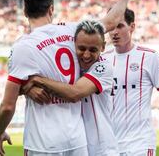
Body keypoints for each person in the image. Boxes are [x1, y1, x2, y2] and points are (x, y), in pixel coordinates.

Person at [0, 0, 132, 156]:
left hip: (41, 143)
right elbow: (111, 21)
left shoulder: (22, 47)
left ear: (25, 12)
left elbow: (7, 105)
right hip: (76, 139)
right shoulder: (73, 31)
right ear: (51, 9)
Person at [24, 20, 119, 156]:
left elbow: (75, 93)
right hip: (78, 147)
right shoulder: (71, 64)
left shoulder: (103, 67)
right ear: (73, 44)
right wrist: (28, 87)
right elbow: (18, 82)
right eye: (81, 48)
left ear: (103, 47)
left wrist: (37, 80)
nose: (86, 55)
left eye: (93, 50)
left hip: (102, 150)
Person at [104, 8, 159, 156]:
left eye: (120, 26)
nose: (114, 32)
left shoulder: (149, 57)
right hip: (109, 145)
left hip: (140, 143)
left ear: (132, 27)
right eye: (111, 27)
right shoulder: (102, 60)